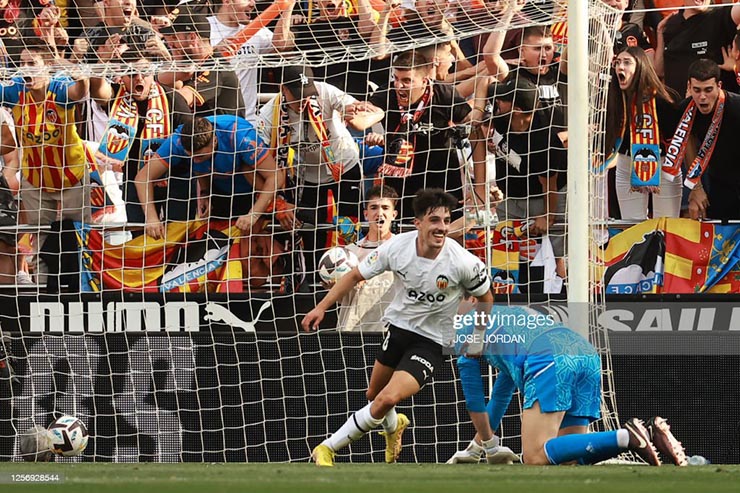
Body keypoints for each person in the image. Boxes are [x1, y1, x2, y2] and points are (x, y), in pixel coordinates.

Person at [302, 189, 494, 466]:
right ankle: (394, 427)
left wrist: (478, 338)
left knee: (385, 399)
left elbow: (487, 298)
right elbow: (355, 275)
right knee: (373, 395)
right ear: (418, 223)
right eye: (434, 220)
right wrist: (321, 307)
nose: (441, 228)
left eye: (446, 221)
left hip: (433, 341)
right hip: (398, 329)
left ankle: (327, 448)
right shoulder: (396, 248)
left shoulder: (463, 262)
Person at [453, 304, 687, 466]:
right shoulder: (509, 319)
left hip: (548, 357)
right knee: (568, 458)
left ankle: (628, 436)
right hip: (584, 353)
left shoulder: (467, 325)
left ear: (473, 300)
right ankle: (645, 433)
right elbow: (500, 397)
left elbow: (475, 400)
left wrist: (488, 446)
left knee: (534, 456)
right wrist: (479, 447)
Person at [258, 65, 384, 271]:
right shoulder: (268, 114)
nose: (303, 101)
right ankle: (313, 281)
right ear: (284, 89)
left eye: (307, 94)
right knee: (310, 233)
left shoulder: (325, 91)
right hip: (305, 175)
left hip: (344, 166)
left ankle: (353, 274)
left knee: (349, 227)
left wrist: (372, 113)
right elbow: (259, 163)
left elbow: (361, 121)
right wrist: (277, 203)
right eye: (298, 96)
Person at [0, 38, 90, 282]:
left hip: (72, 176)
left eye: (32, 63)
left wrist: (80, 76)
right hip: (35, 180)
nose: (26, 68)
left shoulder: (59, 87)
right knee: (38, 242)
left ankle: (84, 290)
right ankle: (42, 294)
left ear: (47, 66)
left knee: (82, 240)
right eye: (22, 63)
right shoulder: (16, 90)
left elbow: (79, 92)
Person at [89, 51, 195, 227]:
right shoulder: (117, 96)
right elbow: (98, 90)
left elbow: (190, 137)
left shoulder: (172, 98)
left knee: (178, 233)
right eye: (131, 74)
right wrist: (102, 60)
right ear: (121, 77)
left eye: (144, 73)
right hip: (134, 176)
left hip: (175, 177)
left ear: (153, 74)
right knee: (138, 233)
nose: (138, 78)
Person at [368, 50, 474, 221]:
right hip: (401, 180)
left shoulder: (443, 93)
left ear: (424, 81)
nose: (399, 85)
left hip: (441, 177)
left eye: (407, 81)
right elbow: (371, 111)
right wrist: (358, 112)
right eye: (396, 78)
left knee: (448, 231)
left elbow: (471, 121)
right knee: (402, 235)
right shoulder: (387, 93)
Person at [135, 115, 279, 240]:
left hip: (257, 190)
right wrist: (152, 218)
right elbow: (142, 178)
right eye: (190, 156)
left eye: (200, 156)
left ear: (214, 141)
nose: (195, 160)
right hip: (220, 190)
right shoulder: (178, 141)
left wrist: (253, 214)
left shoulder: (241, 137)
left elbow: (275, 176)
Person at [605, 46, 681, 221]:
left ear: (641, 66)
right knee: (633, 228)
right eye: (617, 63)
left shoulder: (664, 99)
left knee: (666, 228)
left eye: (627, 62)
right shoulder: (614, 99)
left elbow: (678, 140)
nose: (620, 67)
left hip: (665, 165)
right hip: (626, 165)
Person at [662, 59, 740, 221]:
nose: (702, 97)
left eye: (708, 90)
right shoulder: (685, 109)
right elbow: (688, 144)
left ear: (719, 86)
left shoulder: (736, 106)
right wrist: (696, 188)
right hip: (718, 182)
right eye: (696, 90)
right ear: (689, 87)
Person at [159, 4, 245, 118]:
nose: (170, 44)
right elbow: (163, 80)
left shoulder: (215, 65)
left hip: (222, 134)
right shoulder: (196, 65)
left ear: (192, 38)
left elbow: (181, 99)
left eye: (174, 38)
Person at [336, 185, 399, 332]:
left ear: (394, 214)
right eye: (374, 207)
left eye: (385, 207)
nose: (380, 213)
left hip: (388, 333)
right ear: (366, 214)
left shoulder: (402, 249)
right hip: (352, 331)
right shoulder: (348, 253)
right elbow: (341, 298)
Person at [207, 0, 274, 124]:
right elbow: (186, 66)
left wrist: (286, 7)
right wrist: (213, 52)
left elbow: (284, 45)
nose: (252, 4)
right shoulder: (204, 27)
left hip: (247, 121)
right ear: (227, 1)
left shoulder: (256, 30)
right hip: (212, 120)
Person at [654, 0, 740, 96]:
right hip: (678, 106)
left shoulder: (719, 16)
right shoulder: (670, 23)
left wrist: (736, 67)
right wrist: (659, 33)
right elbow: (659, 71)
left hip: (714, 107)